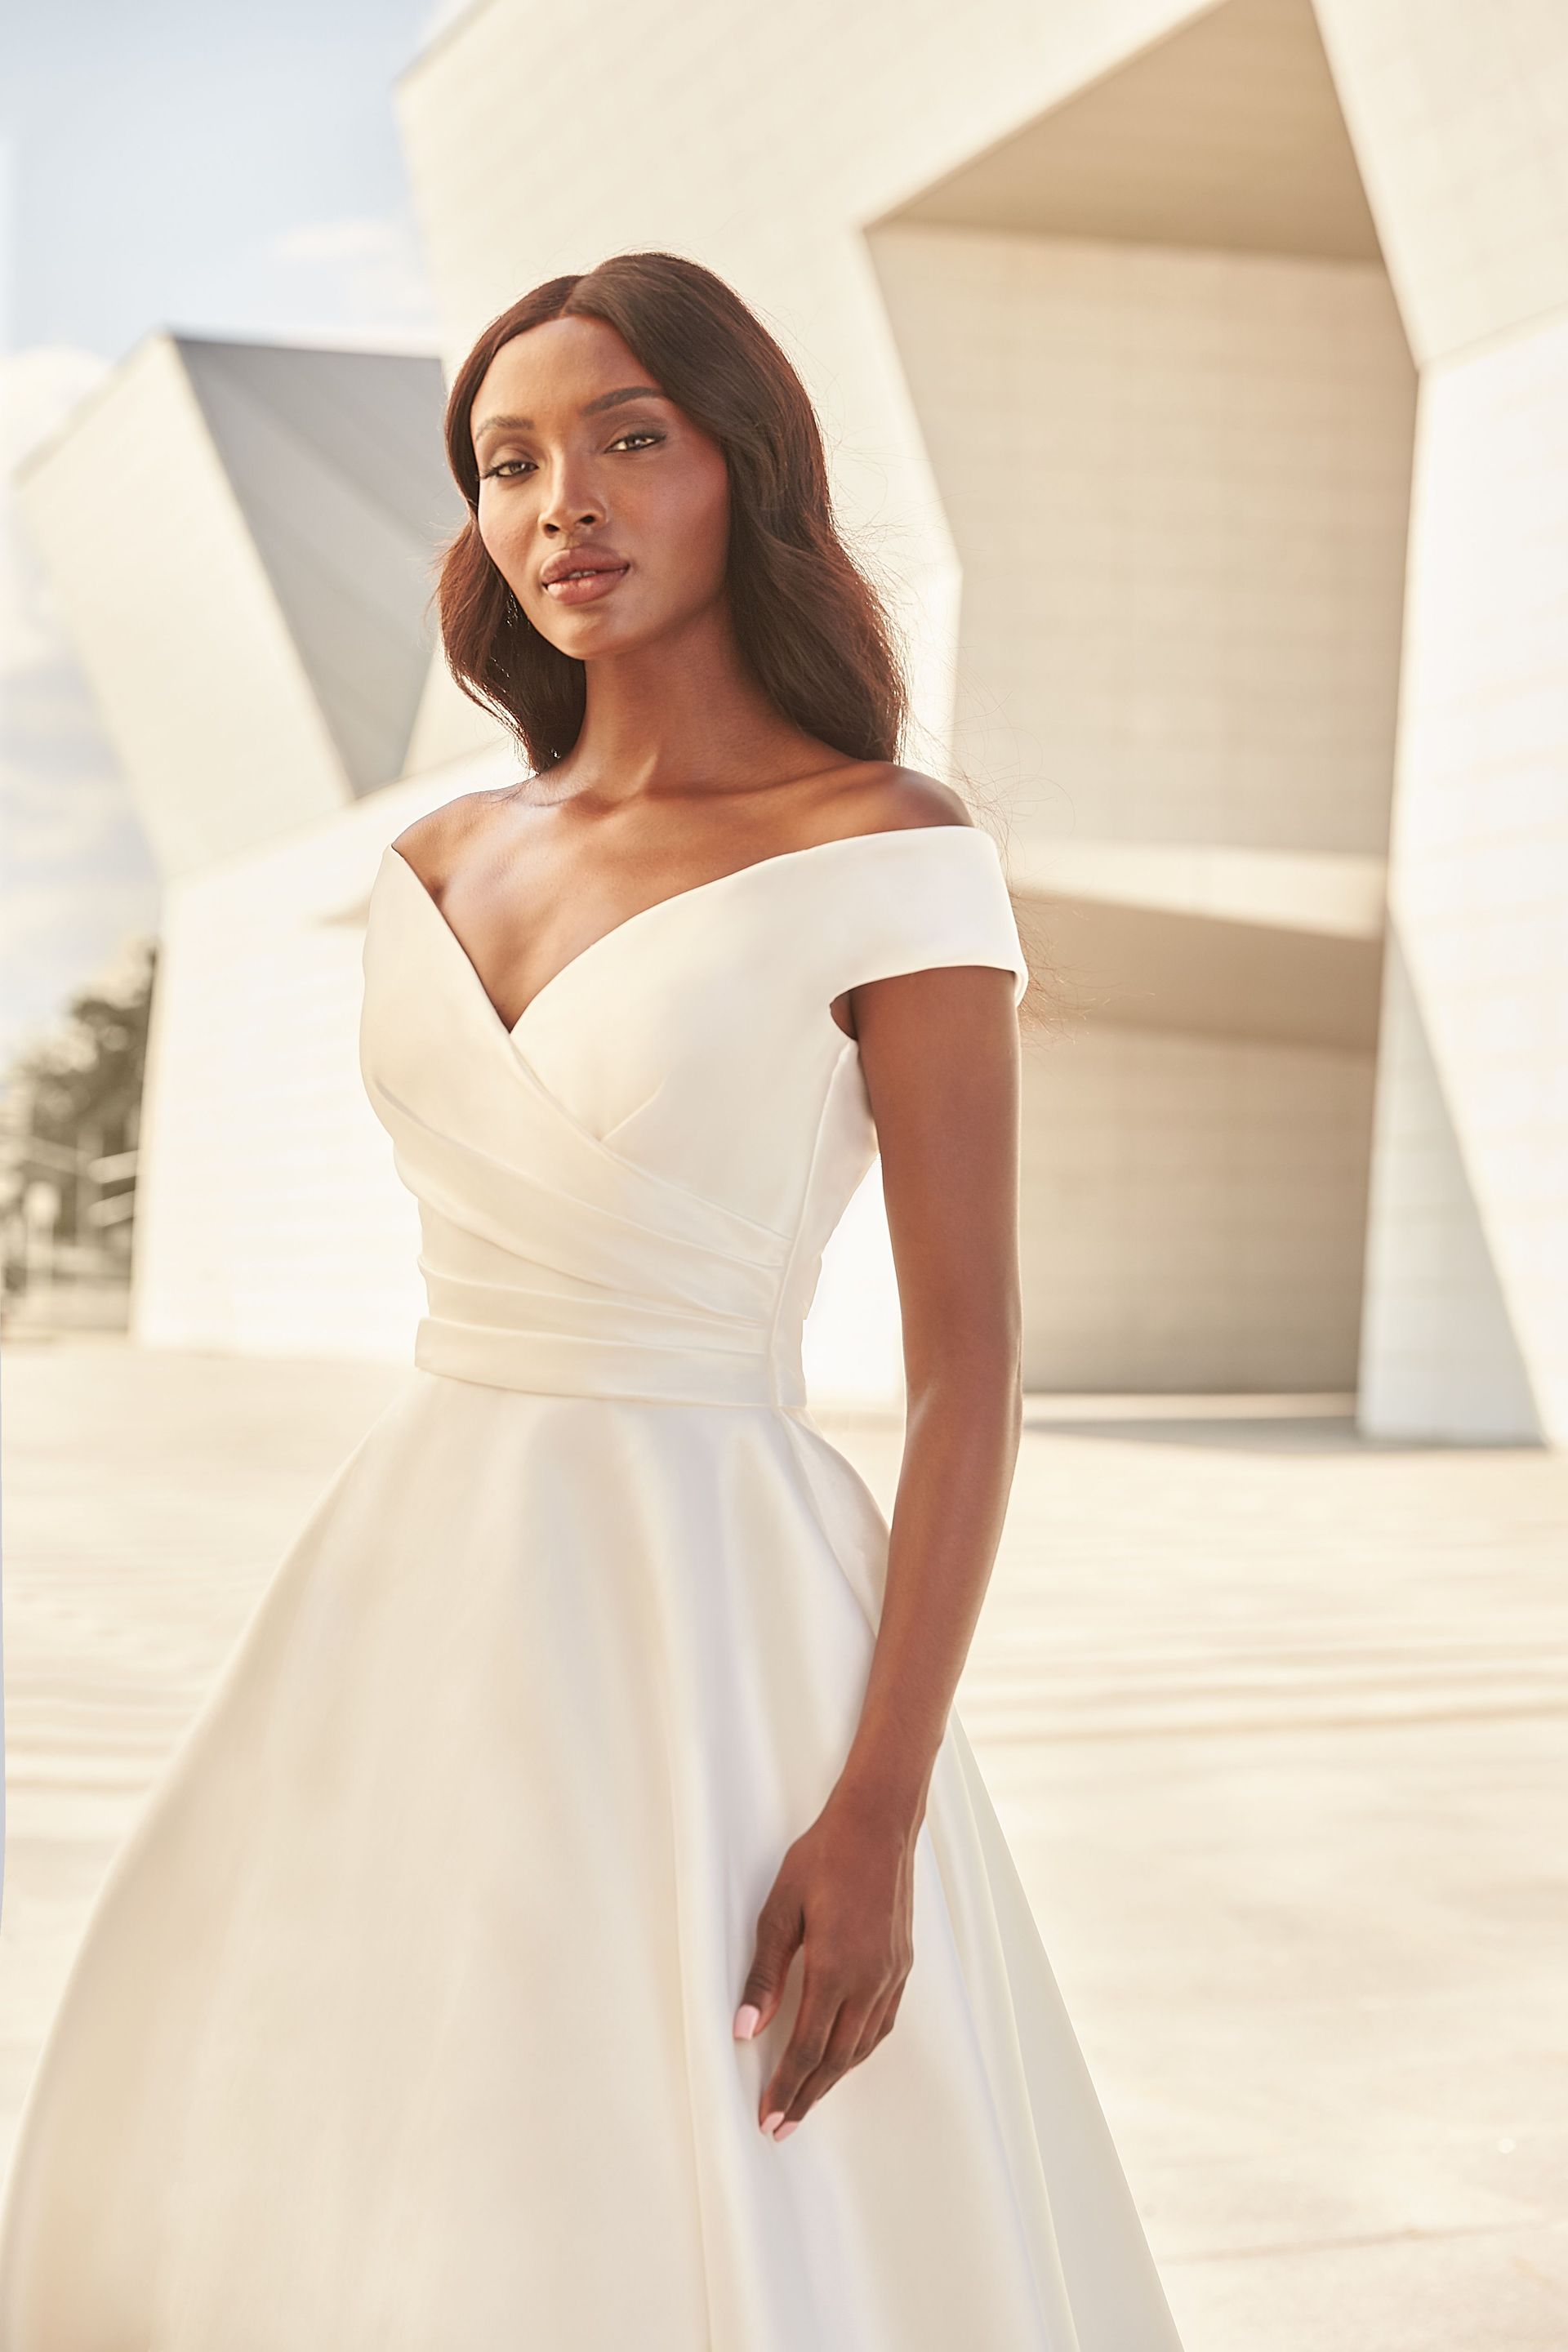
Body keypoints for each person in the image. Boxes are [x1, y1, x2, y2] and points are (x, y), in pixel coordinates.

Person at [0, 250, 1185, 2349]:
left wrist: (880, 1808)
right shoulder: (441, 860)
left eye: (632, 439)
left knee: (695, 2171)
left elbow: (971, 1369)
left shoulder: (889, 848)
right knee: (347, 2142)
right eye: (513, 461)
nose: (568, 504)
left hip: (713, 1612)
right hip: (412, 1582)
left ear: (748, 470)